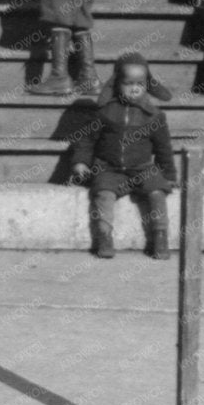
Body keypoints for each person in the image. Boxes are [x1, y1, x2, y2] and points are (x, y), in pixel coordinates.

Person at [65, 52, 175, 260]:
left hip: (142, 168)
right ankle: (104, 236)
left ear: (147, 85)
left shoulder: (154, 116)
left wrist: (168, 175)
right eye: (128, 83)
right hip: (108, 167)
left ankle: (160, 236)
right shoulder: (104, 112)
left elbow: (164, 148)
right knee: (104, 194)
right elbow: (87, 140)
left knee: (157, 192)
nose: (135, 88)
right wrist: (80, 162)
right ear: (117, 83)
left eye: (140, 84)